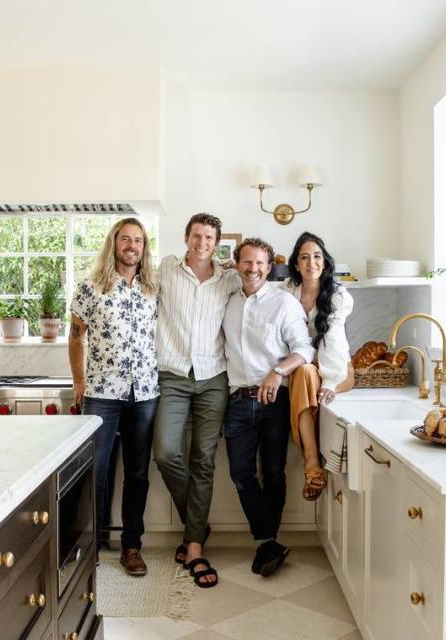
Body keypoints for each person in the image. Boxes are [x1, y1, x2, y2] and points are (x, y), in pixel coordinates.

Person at [154, 212, 240, 588]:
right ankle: (199, 524)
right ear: (186, 237)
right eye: (197, 236)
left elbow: (262, 289)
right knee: (165, 451)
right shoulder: (165, 270)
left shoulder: (230, 278)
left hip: (213, 378)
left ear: (217, 243)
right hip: (171, 374)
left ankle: (193, 546)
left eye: (209, 238)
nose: (202, 243)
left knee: (204, 459)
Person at [69, 217, 158, 577]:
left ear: (143, 247)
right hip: (102, 392)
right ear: (114, 243)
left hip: (145, 393)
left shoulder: (153, 288)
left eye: (138, 240)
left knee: (138, 472)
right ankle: (92, 542)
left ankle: (131, 545)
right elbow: (76, 336)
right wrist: (78, 381)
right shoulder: (90, 288)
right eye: (126, 239)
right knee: (97, 470)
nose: (132, 245)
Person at [223, 238, 315, 577]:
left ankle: (267, 542)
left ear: (269, 266)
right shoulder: (229, 301)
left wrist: (278, 372)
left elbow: (305, 349)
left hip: (276, 401)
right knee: (240, 474)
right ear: (237, 264)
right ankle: (268, 542)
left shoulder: (284, 303)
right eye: (247, 262)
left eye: (260, 263)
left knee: (273, 475)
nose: (253, 269)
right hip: (236, 401)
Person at [285, 232, 355, 500]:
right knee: (302, 372)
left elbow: (333, 344)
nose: (311, 263)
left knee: (304, 373)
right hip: (305, 369)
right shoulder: (287, 291)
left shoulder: (338, 296)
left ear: (324, 263)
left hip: (337, 370)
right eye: (304, 257)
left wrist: (329, 383)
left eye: (316, 257)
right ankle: (314, 462)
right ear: (296, 264)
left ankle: (312, 462)